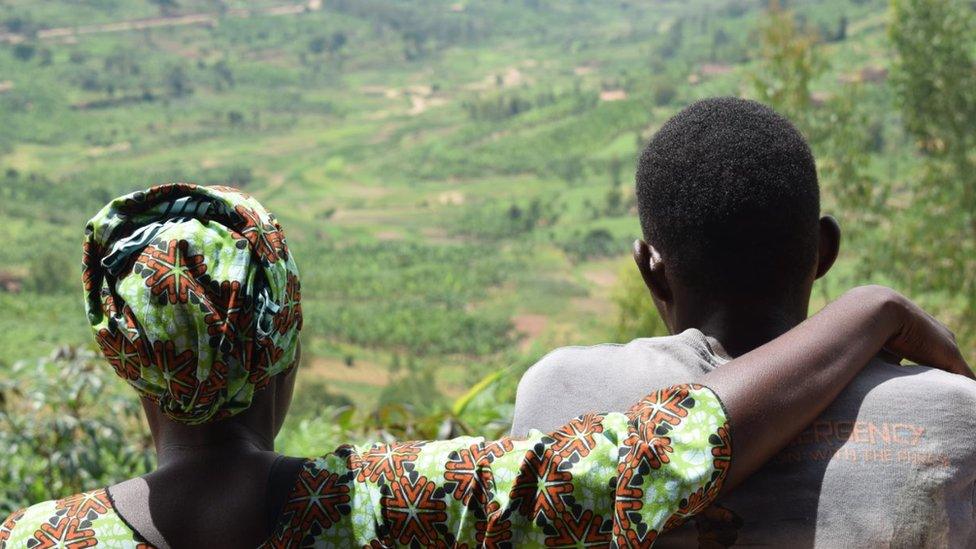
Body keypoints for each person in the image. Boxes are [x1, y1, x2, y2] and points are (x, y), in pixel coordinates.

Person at [0, 184, 969, 549]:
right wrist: (867, 308)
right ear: (283, 340)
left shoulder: (34, 539)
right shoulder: (402, 508)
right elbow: (666, 446)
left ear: (119, 356)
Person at [511, 97, 976, 547]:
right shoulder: (955, 413)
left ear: (651, 269)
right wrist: (871, 310)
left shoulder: (559, 396)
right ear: (824, 251)